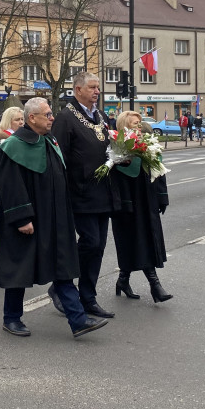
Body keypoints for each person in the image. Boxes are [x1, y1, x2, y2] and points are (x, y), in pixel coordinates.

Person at [0, 97, 109, 338]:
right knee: (20, 269)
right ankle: (11, 318)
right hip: (28, 219)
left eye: (51, 113)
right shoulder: (13, 146)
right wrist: (22, 218)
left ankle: (78, 320)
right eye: (47, 114)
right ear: (31, 118)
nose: (52, 118)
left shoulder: (50, 140)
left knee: (61, 267)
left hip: (54, 217)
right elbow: (11, 187)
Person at [51, 72, 119, 319]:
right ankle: (62, 281)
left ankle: (88, 296)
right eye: (92, 87)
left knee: (98, 245)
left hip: (103, 191)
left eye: (98, 88)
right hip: (80, 192)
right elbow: (58, 158)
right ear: (77, 89)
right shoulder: (66, 117)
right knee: (89, 241)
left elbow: (105, 145)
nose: (96, 91)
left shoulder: (99, 115)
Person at [109, 110, 172, 303]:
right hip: (128, 203)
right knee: (134, 241)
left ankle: (123, 280)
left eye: (138, 123)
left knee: (143, 240)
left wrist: (162, 197)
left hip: (147, 200)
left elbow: (158, 170)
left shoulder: (147, 144)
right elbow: (114, 178)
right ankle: (155, 286)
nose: (138, 126)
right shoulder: (117, 147)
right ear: (123, 126)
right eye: (133, 124)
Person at [0, 107, 25, 205]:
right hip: (9, 190)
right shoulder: (0, 140)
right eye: (17, 120)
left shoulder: (22, 138)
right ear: (8, 122)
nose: (21, 122)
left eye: (22, 119)